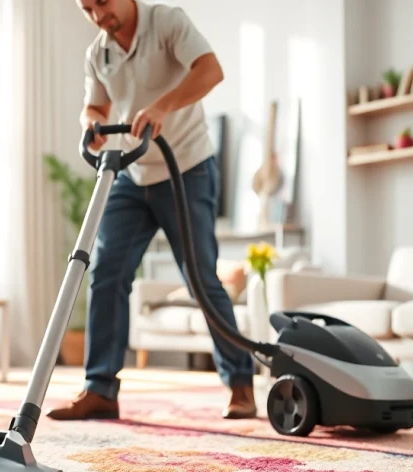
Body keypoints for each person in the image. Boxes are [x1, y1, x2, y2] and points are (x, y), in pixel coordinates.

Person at [46, 0, 256, 421]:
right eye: (87, 9)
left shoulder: (167, 22)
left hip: (187, 167)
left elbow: (210, 70)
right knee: (106, 272)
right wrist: (89, 123)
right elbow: (96, 107)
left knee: (199, 278)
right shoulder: (98, 53)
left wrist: (163, 105)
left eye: (102, 2)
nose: (97, 15)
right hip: (131, 171)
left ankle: (240, 385)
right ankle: (100, 389)